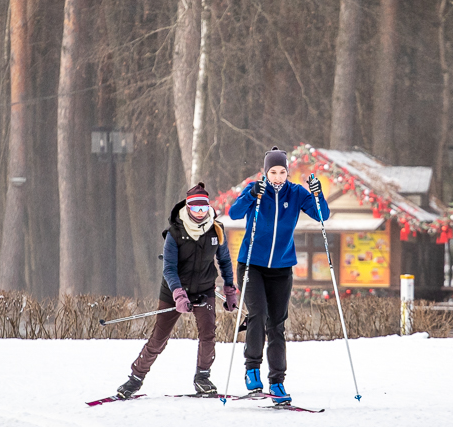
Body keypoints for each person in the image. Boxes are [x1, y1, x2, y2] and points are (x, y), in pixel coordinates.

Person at [116, 183, 239, 398]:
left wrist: (229, 289)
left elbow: (225, 260)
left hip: (204, 288)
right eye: (195, 207)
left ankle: (202, 377)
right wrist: (179, 294)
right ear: (188, 207)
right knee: (159, 338)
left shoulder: (216, 229)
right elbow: (169, 269)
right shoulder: (175, 232)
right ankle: (135, 379)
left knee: (208, 334)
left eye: (203, 207)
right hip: (174, 290)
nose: (200, 212)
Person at [228, 147, 329, 403]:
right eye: (273, 171)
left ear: (287, 172)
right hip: (252, 264)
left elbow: (322, 215)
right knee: (258, 313)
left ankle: (277, 382)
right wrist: (251, 195)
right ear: (266, 172)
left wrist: (318, 195)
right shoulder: (255, 189)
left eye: (282, 171)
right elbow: (234, 213)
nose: (278, 176)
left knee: (276, 324)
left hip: (282, 268)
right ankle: (252, 368)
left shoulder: (295, 193)